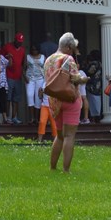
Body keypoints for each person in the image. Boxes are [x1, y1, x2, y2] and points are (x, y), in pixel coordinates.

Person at [44, 32, 89, 173]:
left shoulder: (48, 60)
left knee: (59, 136)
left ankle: (52, 167)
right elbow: (75, 78)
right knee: (69, 135)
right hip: (70, 99)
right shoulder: (68, 59)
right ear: (69, 46)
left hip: (54, 101)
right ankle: (66, 169)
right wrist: (84, 79)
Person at [1, 32, 26, 124]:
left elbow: (23, 63)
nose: (20, 43)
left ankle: (14, 117)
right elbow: (0, 58)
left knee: (16, 98)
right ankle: (7, 117)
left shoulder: (23, 50)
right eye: (18, 41)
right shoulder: (7, 47)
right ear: (14, 40)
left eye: (21, 42)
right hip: (8, 75)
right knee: (8, 97)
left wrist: (24, 74)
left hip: (18, 77)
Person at [25, 43, 45, 125]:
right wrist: (24, 77)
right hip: (30, 79)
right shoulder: (27, 57)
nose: (34, 51)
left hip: (40, 79)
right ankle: (32, 117)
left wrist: (45, 81)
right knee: (30, 96)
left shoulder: (43, 57)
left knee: (38, 98)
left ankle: (37, 118)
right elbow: (23, 68)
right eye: (33, 49)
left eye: (36, 49)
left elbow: (45, 69)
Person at [86, 50, 102, 123]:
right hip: (98, 85)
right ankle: (97, 116)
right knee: (97, 101)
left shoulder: (94, 64)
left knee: (92, 101)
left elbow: (89, 72)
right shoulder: (101, 63)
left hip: (92, 85)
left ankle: (93, 117)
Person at [78, 59, 90, 123]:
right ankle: (80, 118)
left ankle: (85, 118)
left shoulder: (81, 72)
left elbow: (85, 80)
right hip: (77, 90)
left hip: (80, 90)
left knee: (82, 99)